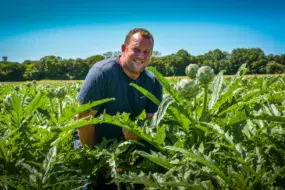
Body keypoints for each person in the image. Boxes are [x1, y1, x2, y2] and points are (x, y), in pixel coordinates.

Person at [76, 28, 162, 147]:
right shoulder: (102, 73)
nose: (141, 56)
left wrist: (139, 135)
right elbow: (83, 119)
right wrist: (91, 155)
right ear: (124, 49)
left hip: (124, 142)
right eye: (136, 49)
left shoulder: (153, 81)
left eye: (147, 51)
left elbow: (153, 121)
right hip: (89, 140)